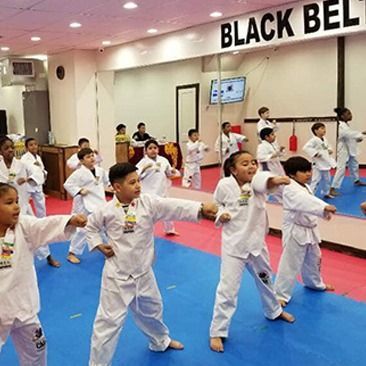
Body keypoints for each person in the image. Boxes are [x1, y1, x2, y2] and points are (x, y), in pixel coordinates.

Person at [86, 162, 217, 366]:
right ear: (117, 187)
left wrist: (200, 208)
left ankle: (160, 341)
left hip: (144, 273)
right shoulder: (106, 211)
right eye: (132, 183)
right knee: (108, 324)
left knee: (153, 310)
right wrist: (98, 245)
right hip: (117, 277)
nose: (138, 185)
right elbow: (91, 228)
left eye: (138, 181)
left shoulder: (148, 203)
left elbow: (173, 206)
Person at [209, 151, 295, 353]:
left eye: (253, 163)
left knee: (266, 280)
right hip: (234, 247)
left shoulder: (256, 182)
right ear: (233, 169)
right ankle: (217, 330)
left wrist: (275, 179)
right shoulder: (225, 185)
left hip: (256, 245)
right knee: (227, 290)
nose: (251, 166)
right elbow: (217, 204)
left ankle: (274, 310)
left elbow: (265, 181)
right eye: (245, 163)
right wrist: (222, 214)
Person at [0, 182, 86, 366]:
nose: (16, 206)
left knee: (37, 352)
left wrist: (69, 220)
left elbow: (44, 225)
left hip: (24, 307)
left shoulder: (23, 226)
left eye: (16, 201)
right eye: (9, 203)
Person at [274, 156, 336, 307]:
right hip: (296, 230)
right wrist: (323, 207)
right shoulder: (290, 189)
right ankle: (280, 294)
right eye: (303, 171)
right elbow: (304, 201)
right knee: (290, 263)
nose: (308, 174)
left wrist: (322, 209)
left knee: (314, 259)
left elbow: (308, 202)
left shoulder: (304, 186)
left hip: (309, 230)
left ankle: (314, 283)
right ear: (292, 175)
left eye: (309, 170)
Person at [64, 148, 110, 264]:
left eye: (92, 155)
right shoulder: (78, 173)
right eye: (88, 157)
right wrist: (79, 190)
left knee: (104, 228)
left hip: (100, 203)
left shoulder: (100, 170)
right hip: (85, 205)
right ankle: (72, 253)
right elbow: (67, 184)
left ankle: (107, 250)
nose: (92, 158)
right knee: (82, 230)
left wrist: (111, 186)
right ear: (81, 161)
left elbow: (107, 181)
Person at [21, 137, 61, 267]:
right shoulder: (23, 159)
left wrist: (42, 173)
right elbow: (23, 175)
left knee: (40, 219)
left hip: (36, 186)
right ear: (26, 147)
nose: (34, 147)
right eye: (31, 145)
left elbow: (41, 172)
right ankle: (41, 256)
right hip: (25, 190)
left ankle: (46, 256)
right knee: (28, 224)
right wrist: (29, 178)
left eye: (35, 144)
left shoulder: (37, 158)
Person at [136, 139, 180, 235]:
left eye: (155, 148)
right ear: (146, 150)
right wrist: (143, 169)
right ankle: (144, 232)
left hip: (162, 190)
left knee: (167, 210)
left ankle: (169, 229)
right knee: (148, 215)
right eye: (150, 148)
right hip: (148, 193)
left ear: (158, 149)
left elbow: (169, 173)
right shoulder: (142, 162)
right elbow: (136, 176)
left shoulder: (163, 160)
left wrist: (172, 171)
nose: (153, 150)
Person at [330, 107, 366, 196]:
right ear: (342, 116)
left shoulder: (346, 125)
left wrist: (358, 138)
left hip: (350, 148)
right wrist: (361, 134)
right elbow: (348, 134)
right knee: (341, 168)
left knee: (354, 164)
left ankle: (356, 180)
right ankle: (333, 188)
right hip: (343, 149)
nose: (351, 115)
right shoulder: (341, 126)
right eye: (348, 114)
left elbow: (350, 136)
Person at [303, 123, 337, 199]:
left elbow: (328, 147)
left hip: (325, 163)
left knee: (327, 180)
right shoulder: (314, 140)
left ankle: (326, 193)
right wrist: (315, 153)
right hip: (317, 164)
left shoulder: (324, 139)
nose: (324, 130)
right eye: (321, 128)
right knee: (315, 180)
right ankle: (310, 194)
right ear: (315, 131)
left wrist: (330, 150)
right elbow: (306, 148)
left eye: (324, 128)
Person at [0, 136, 32, 215]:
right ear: (0, 152)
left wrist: (27, 179)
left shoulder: (22, 164)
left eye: (12, 147)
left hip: (20, 199)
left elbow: (37, 175)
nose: (10, 150)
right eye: (6, 148)